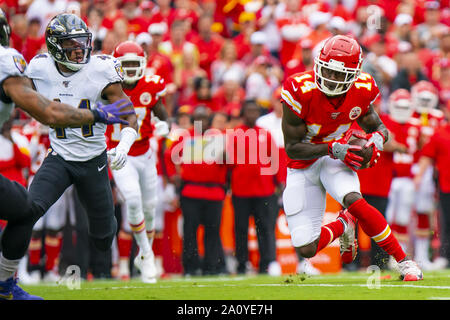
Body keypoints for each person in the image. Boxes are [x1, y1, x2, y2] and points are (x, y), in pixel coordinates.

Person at [0, 10, 131, 300]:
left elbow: (128, 113)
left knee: (103, 236)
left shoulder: (102, 69)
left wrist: (123, 142)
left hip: (94, 160)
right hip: (59, 157)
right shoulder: (38, 68)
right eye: (71, 45)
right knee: (27, 211)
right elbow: (28, 103)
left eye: (81, 42)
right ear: (56, 46)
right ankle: (5, 283)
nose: (79, 50)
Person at [281, 35, 423, 281]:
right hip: (303, 162)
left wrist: (377, 139)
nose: (331, 78)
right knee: (306, 248)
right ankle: (345, 223)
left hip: (336, 157)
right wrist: (332, 148)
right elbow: (292, 147)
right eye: (328, 71)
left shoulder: (362, 89)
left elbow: (377, 126)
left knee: (355, 200)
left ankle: (405, 262)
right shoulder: (298, 89)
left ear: (354, 74)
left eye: (339, 74)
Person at [106, 40, 169, 283]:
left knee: (150, 207)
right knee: (132, 199)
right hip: (119, 154)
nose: (131, 69)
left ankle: (145, 256)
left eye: (135, 64)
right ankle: (148, 255)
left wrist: (164, 125)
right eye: (126, 64)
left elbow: (162, 114)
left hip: (145, 153)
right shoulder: (106, 86)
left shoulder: (151, 85)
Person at [228, 99, 280, 275]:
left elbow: (275, 158)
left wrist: (279, 182)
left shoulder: (266, 134)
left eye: (254, 111)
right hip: (241, 191)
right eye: (248, 110)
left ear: (259, 114)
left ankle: (267, 263)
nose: (251, 114)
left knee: (265, 227)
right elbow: (229, 162)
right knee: (240, 229)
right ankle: (242, 264)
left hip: (264, 191)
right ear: (243, 113)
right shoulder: (235, 134)